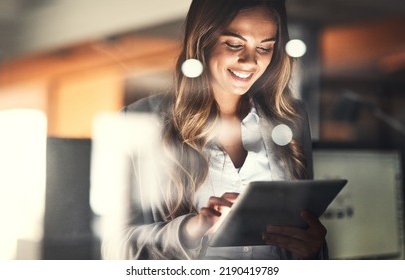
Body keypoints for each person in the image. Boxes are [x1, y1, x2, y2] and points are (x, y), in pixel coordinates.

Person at [106, 0, 327, 260]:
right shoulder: (141, 120)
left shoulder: (291, 119)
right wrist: (193, 229)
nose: (250, 61)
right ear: (202, 41)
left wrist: (313, 247)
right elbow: (114, 249)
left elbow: (305, 234)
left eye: (265, 47)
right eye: (234, 44)